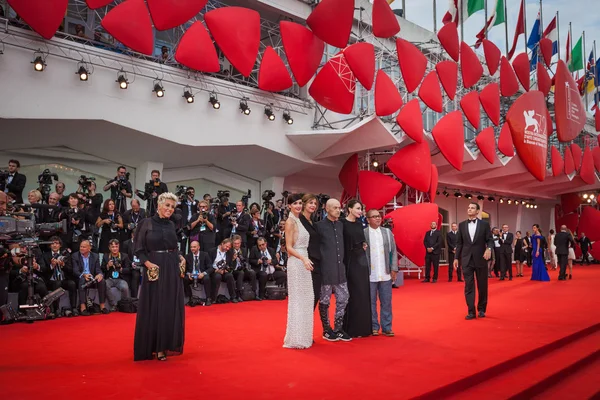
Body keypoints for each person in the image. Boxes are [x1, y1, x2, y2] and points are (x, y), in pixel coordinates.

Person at [133, 192, 185, 362]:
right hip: (154, 267)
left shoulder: (171, 225)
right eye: (167, 205)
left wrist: (180, 257)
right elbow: (138, 250)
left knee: (169, 306)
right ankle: (152, 346)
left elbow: (173, 247)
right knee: (155, 306)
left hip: (171, 268)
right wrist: (147, 264)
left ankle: (163, 347)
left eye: (172, 206)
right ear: (159, 205)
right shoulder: (145, 223)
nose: (170, 209)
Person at [316, 198, 351, 342]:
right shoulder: (318, 226)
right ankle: (326, 329)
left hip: (340, 269)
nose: (339, 210)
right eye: (335, 208)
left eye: (339, 207)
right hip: (326, 269)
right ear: (327, 209)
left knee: (343, 298)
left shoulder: (341, 225)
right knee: (324, 301)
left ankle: (338, 328)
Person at [282, 193, 314, 349]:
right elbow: (288, 248)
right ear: (289, 206)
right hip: (297, 262)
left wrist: (305, 259)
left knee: (307, 298)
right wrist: (303, 259)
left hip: (304, 261)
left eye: (300, 203)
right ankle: (296, 338)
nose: (298, 206)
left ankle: (304, 336)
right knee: (298, 300)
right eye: (295, 203)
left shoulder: (299, 220)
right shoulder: (290, 222)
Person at [454, 202, 493, 320]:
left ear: (477, 211)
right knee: (469, 286)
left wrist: (489, 249)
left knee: (482, 285)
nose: (469, 209)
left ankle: (481, 309)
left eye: (472, 208)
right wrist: (456, 257)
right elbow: (459, 243)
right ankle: (471, 311)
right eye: (468, 207)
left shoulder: (484, 225)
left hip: (481, 258)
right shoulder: (461, 225)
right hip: (467, 260)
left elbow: (490, 240)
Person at [364, 209, 397, 337]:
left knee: (386, 301)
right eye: (374, 217)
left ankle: (387, 327)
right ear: (368, 220)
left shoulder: (387, 232)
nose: (378, 218)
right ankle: (373, 327)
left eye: (379, 216)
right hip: (370, 273)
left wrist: (394, 268)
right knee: (370, 302)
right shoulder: (364, 233)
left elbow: (393, 251)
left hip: (385, 273)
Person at [341, 200, 371, 338]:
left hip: (362, 261)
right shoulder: (342, 223)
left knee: (363, 293)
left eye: (361, 209)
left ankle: (363, 329)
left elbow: (361, 240)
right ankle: (350, 329)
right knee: (353, 293)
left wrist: (363, 244)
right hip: (350, 262)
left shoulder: (360, 224)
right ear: (349, 209)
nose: (360, 211)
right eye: (358, 208)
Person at [298, 193, 321, 309]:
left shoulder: (313, 221)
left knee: (314, 296)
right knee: (307, 297)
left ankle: (306, 324)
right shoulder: (298, 220)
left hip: (316, 263)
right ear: (304, 204)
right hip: (305, 263)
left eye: (315, 203)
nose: (313, 205)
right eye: (310, 203)